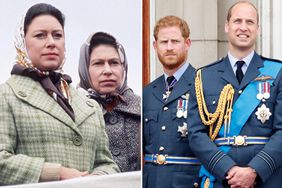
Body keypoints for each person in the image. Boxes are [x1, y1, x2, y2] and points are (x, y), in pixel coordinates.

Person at [0, 3, 119, 185]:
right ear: (23, 42)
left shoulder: (89, 104)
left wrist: (96, 178)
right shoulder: (6, 96)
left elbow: (107, 163)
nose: (51, 43)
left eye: (57, 35)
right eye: (40, 35)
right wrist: (58, 173)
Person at [187, 1, 282, 187]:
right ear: (227, 26)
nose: (243, 28)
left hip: (266, 179)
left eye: (250, 22)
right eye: (237, 21)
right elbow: (196, 134)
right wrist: (227, 169)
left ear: (258, 28)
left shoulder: (278, 72)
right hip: (221, 179)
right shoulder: (204, 76)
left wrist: (254, 171)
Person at [143, 15, 201, 188]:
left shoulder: (203, 85)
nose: (169, 48)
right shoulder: (147, 92)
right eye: (163, 42)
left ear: (187, 43)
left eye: (175, 41)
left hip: (187, 183)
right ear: (155, 46)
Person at [78, 32, 141, 172]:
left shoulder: (144, 109)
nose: (107, 71)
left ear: (123, 67)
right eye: (98, 63)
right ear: (85, 69)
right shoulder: (71, 111)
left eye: (114, 63)